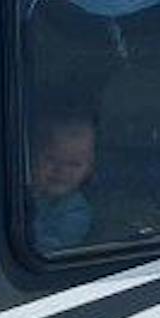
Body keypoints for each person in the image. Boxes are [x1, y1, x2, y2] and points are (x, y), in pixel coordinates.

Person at [26, 106, 98, 254]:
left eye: (73, 164)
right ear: (31, 159)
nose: (61, 170)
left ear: (89, 170)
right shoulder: (22, 192)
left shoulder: (76, 212)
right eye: (51, 159)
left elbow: (52, 248)